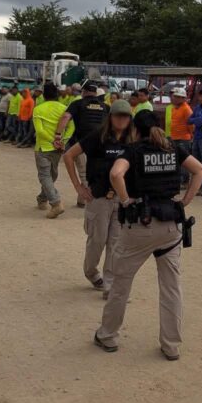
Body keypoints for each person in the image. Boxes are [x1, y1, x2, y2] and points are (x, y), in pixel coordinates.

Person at [93, 110, 202, 361]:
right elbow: (200, 170)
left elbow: (115, 174)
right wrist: (184, 201)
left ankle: (108, 335)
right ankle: (171, 345)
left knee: (121, 285)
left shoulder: (132, 151)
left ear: (136, 129)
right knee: (171, 288)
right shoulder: (173, 149)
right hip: (170, 227)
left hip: (139, 226)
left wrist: (124, 200)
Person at [64, 99, 135, 296]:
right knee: (97, 240)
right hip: (99, 199)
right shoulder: (98, 136)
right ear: (110, 117)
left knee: (116, 244)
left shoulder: (133, 140)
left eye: (125, 116)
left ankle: (109, 284)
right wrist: (79, 187)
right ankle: (91, 272)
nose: (121, 120)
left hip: (121, 200)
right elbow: (69, 156)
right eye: (118, 115)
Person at [56, 83, 109, 205]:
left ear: (83, 92)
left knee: (84, 173)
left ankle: (87, 199)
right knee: (96, 170)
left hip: (81, 144)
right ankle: (82, 200)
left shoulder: (78, 104)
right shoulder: (105, 107)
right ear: (95, 93)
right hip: (101, 144)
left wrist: (58, 135)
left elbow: (65, 117)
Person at [34, 83, 72, 219]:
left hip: (43, 147)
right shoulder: (65, 109)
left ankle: (56, 203)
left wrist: (52, 141)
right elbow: (72, 128)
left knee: (45, 176)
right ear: (57, 95)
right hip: (58, 149)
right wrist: (62, 142)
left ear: (44, 95)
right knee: (52, 176)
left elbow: (39, 130)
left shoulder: (38, 109)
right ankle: (42, 199)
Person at [166, 88, 194, 184]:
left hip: (183, 138)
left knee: (183, 160)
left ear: (183, 99)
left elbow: (191, 124)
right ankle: (180, 179)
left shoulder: (186, 109)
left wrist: (190, 135)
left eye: (178, 97)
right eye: (175, 96)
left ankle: (184, 180)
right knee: (177, 159)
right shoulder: (175, 108)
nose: (175, 99)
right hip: (175, 137)